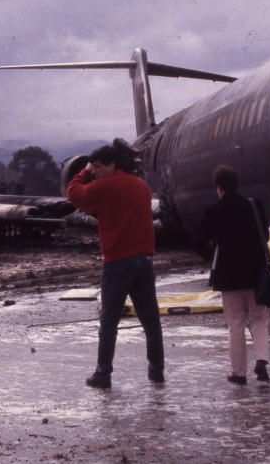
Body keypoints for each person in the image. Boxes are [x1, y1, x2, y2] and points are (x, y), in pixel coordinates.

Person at [67, 144, 165, 389]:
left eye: (99, 167)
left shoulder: (104, 186)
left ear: (112, 165)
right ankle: (156, 370)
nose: (96, 171)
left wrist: (84, 171)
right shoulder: (140, 186)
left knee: (109, 320)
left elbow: (74, 193)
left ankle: (103, 373)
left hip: (118, 261)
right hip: (144, 260)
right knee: (151, 321)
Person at [194, 165, 270, 385]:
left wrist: (215, 254)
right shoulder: (254, 206)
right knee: (259, 319)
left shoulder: (213, 211)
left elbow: (199, 243)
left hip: (228, 276)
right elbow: (265, 235)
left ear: (219, 188)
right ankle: (262, 360)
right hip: (256, 274)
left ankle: (239, 373)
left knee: (235, 324)